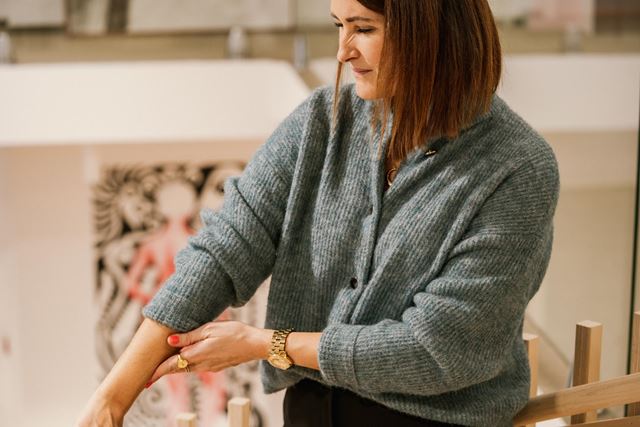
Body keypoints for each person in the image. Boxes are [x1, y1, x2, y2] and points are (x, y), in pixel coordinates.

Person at [78, 0, 559, 426]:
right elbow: (223, 252)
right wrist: (111, 399)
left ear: (431, 30)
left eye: (363, 28)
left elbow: (437, 349)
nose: (342, 51)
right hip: (311, 412)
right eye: (338, 26)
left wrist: (267, 343)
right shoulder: (320, 121)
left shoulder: (518, 167)